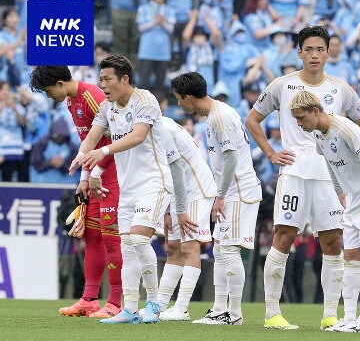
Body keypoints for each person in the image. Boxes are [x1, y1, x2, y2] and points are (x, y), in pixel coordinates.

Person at [245, 25, 360, 330]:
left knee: (332, 240)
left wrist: (348, 150)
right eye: (309, 50)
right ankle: (272, 313)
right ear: (299, 52)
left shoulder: (341, 89)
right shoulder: (282, 85)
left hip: (330, 175)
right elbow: (252, 119)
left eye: (320, 50)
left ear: (329, 53)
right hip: (294, 171)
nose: (315, 55)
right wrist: (271, 152)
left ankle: (330, 314)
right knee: (284, 236)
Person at [69, 55, 173, 324]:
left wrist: (101, 151)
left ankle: (153, 303)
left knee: (139, 240)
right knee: (127, 246)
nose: (102, 85)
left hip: (154, 181)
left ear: (124, 79)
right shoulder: (107, 107)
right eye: (100, 79)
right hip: (127, 187)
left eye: (107, 79)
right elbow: (90, 138)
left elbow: (138, 136)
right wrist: (81, 159)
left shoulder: (145, 100)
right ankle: (129, 309)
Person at [288, 90, 360, 332]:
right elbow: (329, 161)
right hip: (353, 203)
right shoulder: (318, 134)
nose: (299, 124)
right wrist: (339, 191)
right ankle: (349, 318)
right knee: (351, 259)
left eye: (301, 118)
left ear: (315, 111)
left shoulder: (345, 128)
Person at [29, 66, 123, 318]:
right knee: (91, 236)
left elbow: (118, 141)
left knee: (112, 238)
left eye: (49, 92)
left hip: (113, 175)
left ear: (60, 83)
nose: (49, 97)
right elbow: (89, 142)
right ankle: (89, 300)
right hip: (94, 177)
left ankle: (115, 302)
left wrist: (95, 173)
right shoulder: (72, 101)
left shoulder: (94, 97)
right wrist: (84, 177)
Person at [172, 72, 262, 326]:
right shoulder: (218, 113)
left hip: (238, 192)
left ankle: (233, 313)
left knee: (229, 250)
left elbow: (231, 158)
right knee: (221, 250)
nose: (179, 104)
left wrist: (220, 196)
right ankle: (220, 308)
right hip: (232, 191)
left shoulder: (219, 118)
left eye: (179, 99)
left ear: (188, 97)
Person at [154, 116, 216, 321]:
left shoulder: (162, 130)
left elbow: (176, 171)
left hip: (197, 191)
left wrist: (178, 210)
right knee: (173, 247)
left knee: (189, 247)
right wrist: (166, 210)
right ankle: (159, 307)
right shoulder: (154, 127)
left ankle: (181, 308)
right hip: (179, 193)